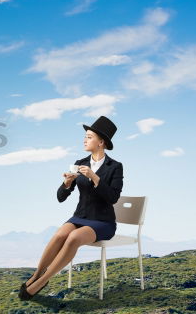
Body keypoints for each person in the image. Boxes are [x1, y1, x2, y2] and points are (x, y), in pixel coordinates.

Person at [19, 115, 123, 300]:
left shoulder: (115, 167)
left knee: (73, 237)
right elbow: (60, 198)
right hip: (80, 216)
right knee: (60, 234)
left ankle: (43, 281)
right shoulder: (80, 162)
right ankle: (36, 275)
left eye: (89, 137)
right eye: (85, 136)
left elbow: (113, 198)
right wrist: (66, 184)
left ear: (101, 142)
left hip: (102, 221)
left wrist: (95, 178)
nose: (85, 139)